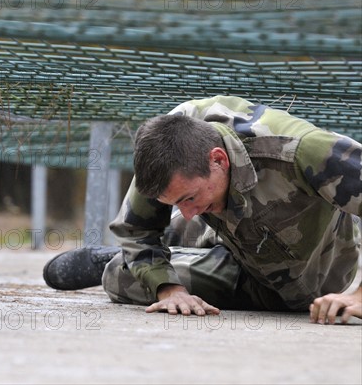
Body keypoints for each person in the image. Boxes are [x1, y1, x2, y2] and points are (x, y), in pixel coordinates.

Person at [43, 95, 362, 325]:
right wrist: (169, 290)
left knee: (125, 268)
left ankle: (162, 252)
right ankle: (170, 249)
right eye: (176, 202)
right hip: (232, 235)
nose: (187, 209)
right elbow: (135, 228)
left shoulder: (303, 150)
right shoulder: (167, 145)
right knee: (132, 268)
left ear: (218, 159)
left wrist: (359, 297)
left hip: (305, 275)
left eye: (189, 196)